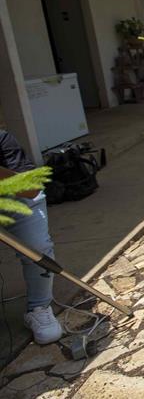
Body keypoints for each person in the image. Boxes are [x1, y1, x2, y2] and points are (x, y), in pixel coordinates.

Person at [0, 130, 64, 345]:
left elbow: (30, 189)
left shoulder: (3, 139)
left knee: (37, 247)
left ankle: (39, 307)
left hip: (14, 197)